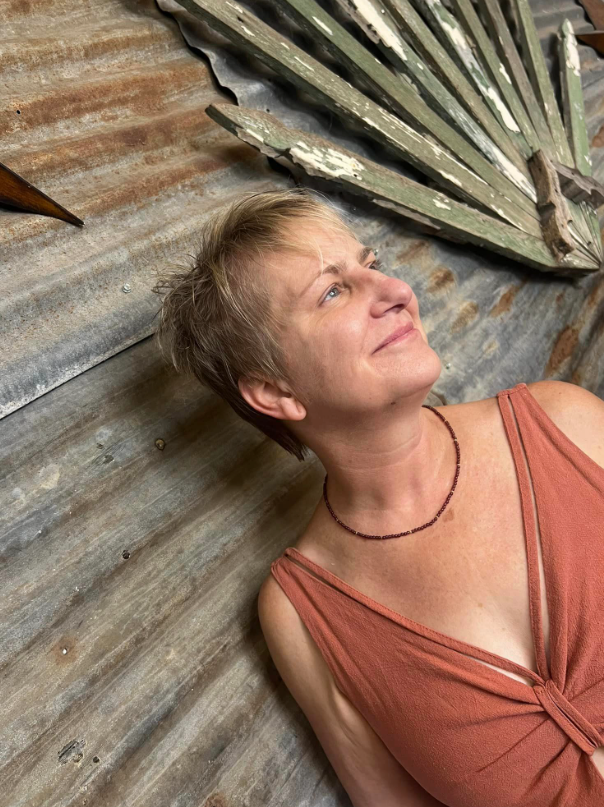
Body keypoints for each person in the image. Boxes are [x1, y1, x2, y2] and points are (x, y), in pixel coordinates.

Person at [153, 186, 604, 806]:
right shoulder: (304, 614)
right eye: (334, 290)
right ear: (276, 391)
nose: (396, 293)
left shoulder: (566, 426)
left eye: (373, 264)